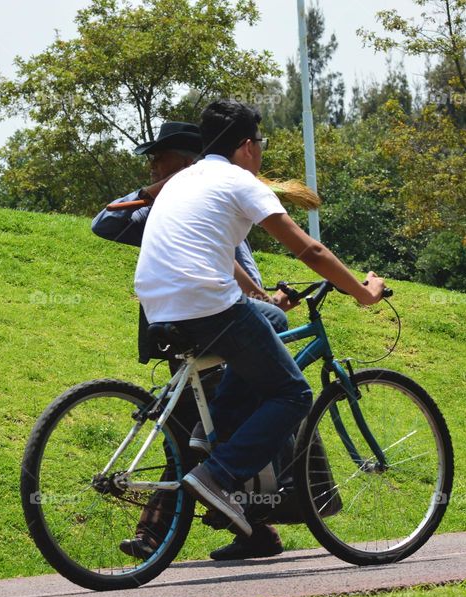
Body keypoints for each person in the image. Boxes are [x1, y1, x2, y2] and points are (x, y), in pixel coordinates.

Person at [134, 100, 385, 541]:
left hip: (157, 306)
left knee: (267, 319)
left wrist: (256, 293)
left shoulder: (180, 180)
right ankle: (218, 473)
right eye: (261, 143)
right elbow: (310, 251)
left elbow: (204, 252)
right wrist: (362, 293)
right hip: (208, 306)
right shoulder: (239, 181)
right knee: (292, 394)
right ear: (248, 146)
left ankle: (208, 434)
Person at [91, 121, 291, 560]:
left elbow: (237, 270)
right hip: (205, 331)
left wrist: (267, 302)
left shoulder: (217, 197)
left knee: (218, 428)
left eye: (159, 157)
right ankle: (213, 525)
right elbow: (104, 222)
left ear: (187, 159)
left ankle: (251, 527)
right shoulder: (166, 203)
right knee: (194, 434)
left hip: (230, 321)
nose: (152, 163)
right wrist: (159, 185)